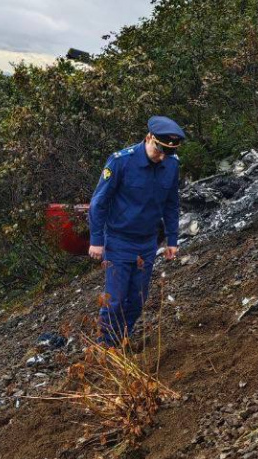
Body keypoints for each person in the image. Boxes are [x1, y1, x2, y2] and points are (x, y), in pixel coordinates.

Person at [88, 116, 185, 346]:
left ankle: (122, 338)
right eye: (159, 150)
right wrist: (96, 239)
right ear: (149, 138)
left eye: (167, 153)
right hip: (119, 240)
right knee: (115, 299)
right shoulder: (121, 161)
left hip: (147, 242)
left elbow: (172, 203)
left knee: (138, 300)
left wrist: (172, 239)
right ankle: (106, 348)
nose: (161, 156)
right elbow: (98, 203)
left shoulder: (171, 165)